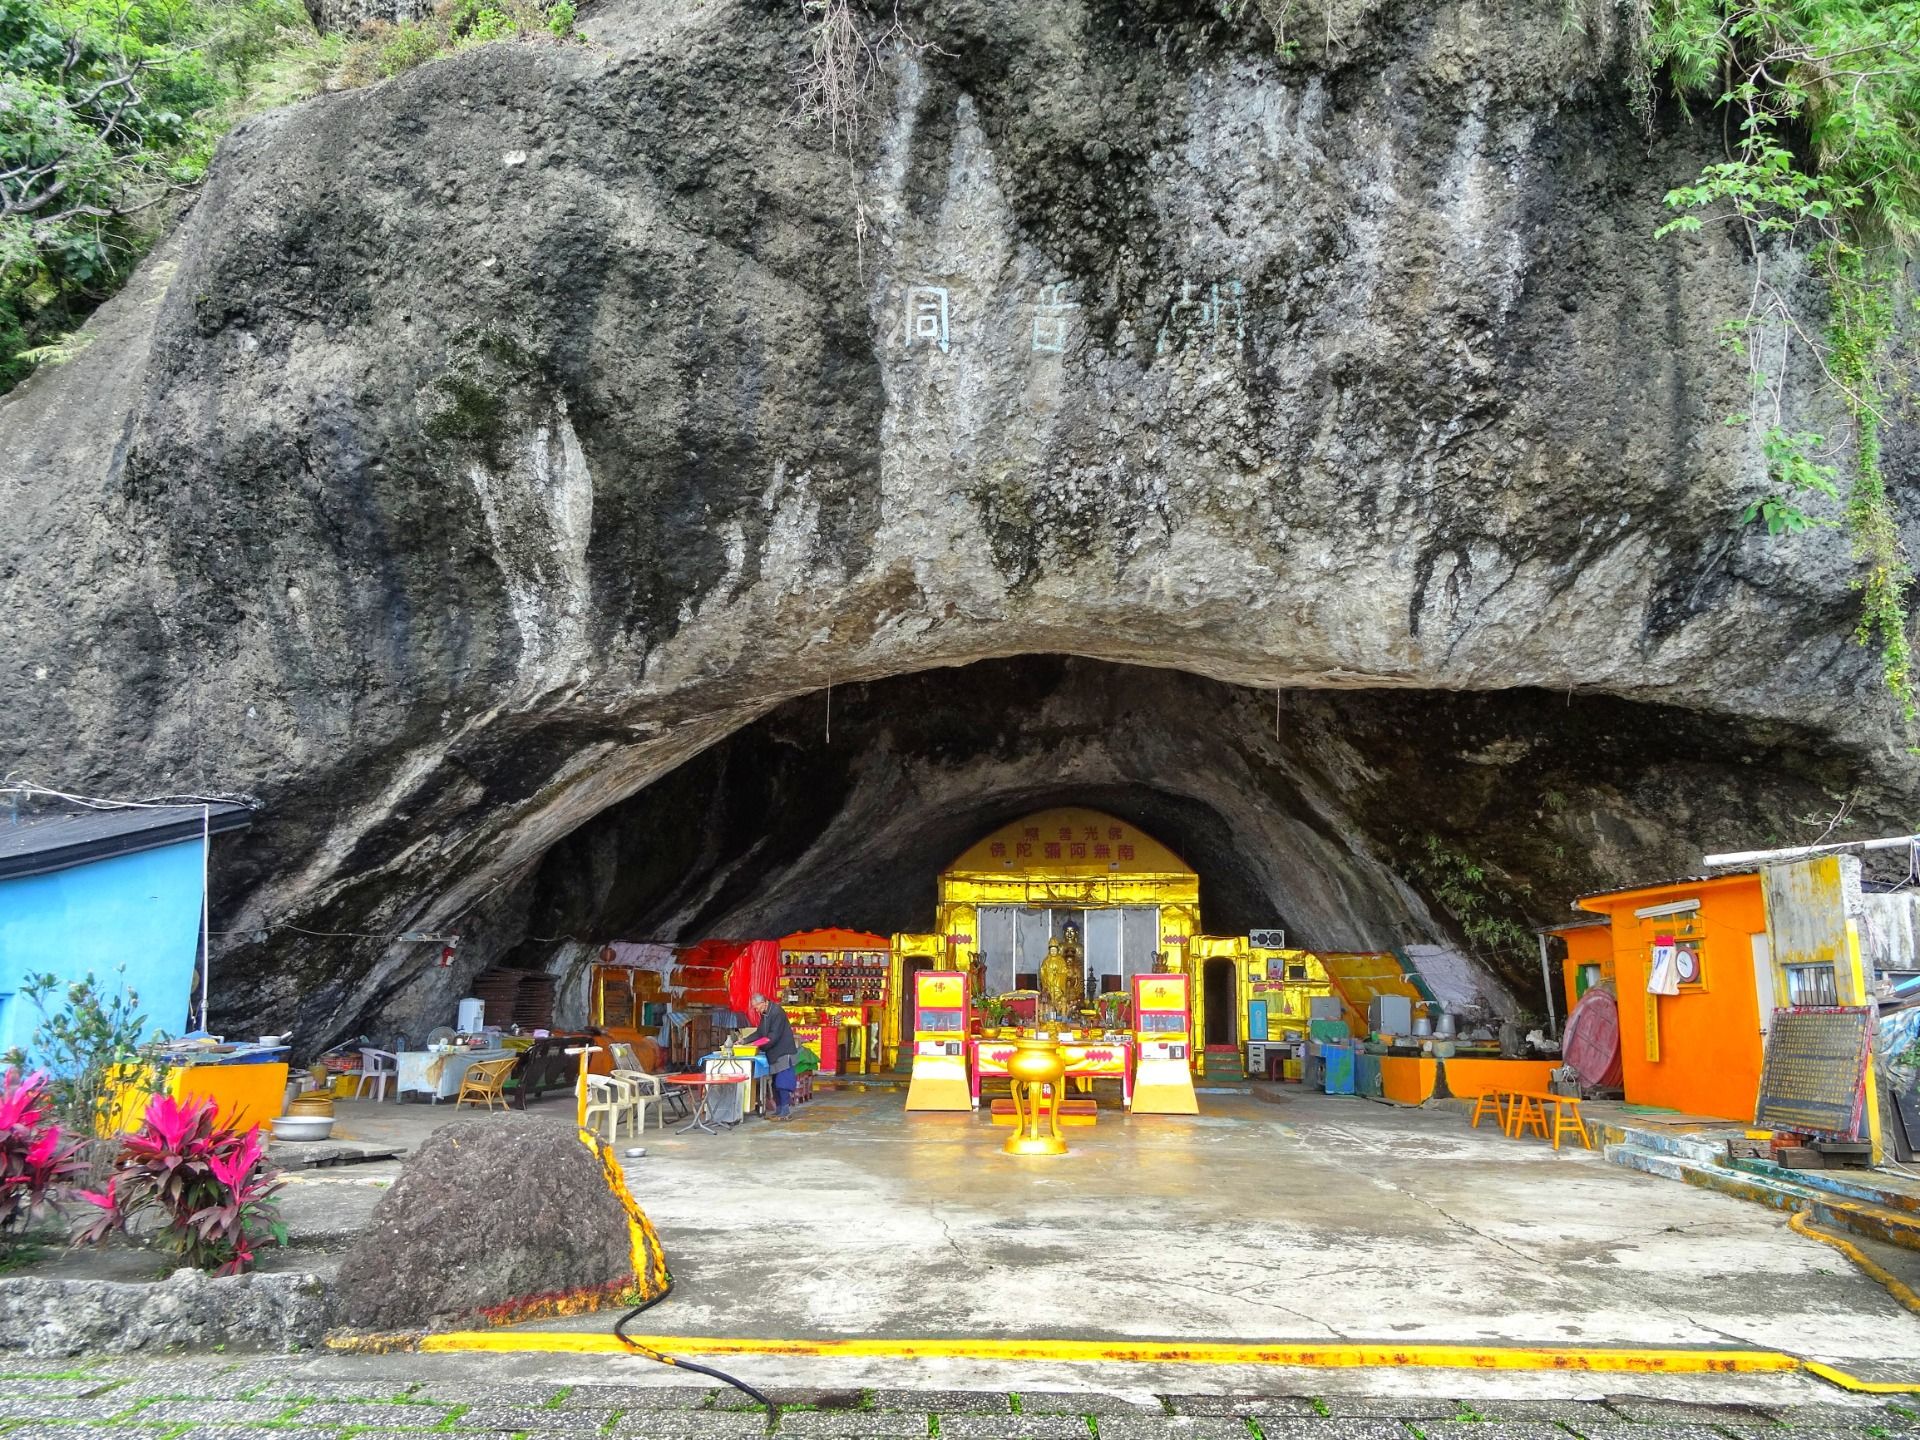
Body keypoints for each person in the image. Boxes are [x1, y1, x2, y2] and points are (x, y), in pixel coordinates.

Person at [744, 992, 798, 1120]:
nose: (756, 1010)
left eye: (757, 1007)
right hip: (774, 1053)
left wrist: (756, 1045)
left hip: (784, 1052)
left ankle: (786, 1111)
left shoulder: (777, 1012)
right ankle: (779, 1110)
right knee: (774, 1084)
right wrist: (745, 1041)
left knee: (782, 1082)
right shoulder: (765, 1013)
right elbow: (760, 1032)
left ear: (763, 1002)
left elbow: (773, 1037)